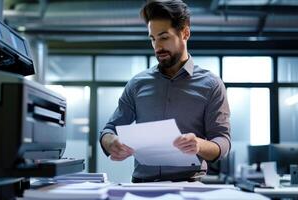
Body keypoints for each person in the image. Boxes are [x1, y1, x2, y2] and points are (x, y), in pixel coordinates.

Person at [99, 0, 231, 183]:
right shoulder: (137, 84)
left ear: (185, 33)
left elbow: (222, 142)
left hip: (189, 187)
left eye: (164, 37)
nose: (157, 47)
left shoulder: (212, 85)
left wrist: (199, 145)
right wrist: (111, 142)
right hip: (142, 187)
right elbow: (108, 130)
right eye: (152, 39)